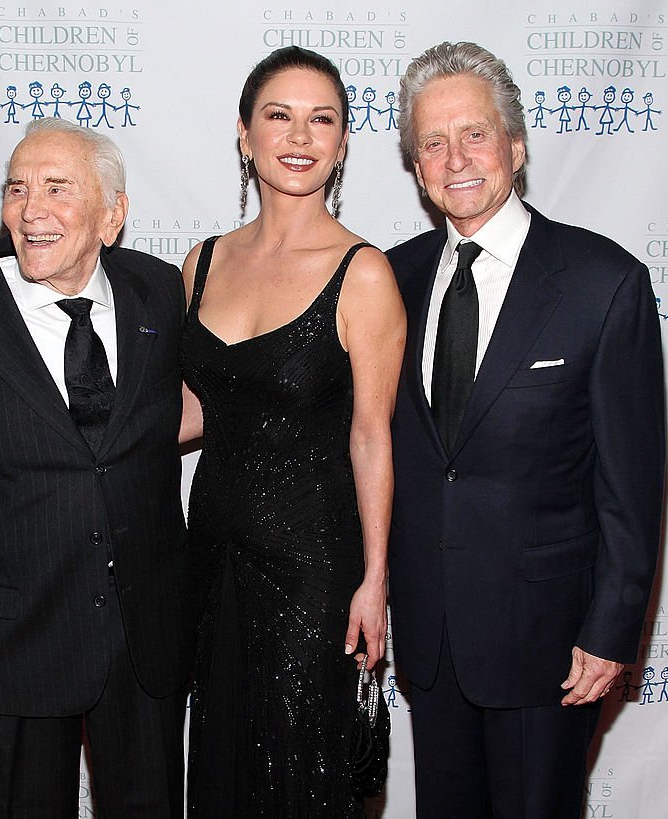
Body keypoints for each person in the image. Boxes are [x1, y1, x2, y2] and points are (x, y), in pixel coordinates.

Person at [0, 117, 201, 818]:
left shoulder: (159, 293)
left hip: (146, 638)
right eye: (17, 188)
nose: (31, 209)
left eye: (57, 188)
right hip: (21, 638)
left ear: (113, 215)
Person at [386, 42, 666, 817]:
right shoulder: (391, 279)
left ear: (516, 144)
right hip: (432, 638)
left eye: (474, 134)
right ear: (414, 166)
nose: (455, 159)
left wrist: (611, 629)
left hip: (548, 645)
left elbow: (632, 487)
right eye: (432, 143)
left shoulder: (602, 283)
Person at [178, 46, 405, 817]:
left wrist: (375, 581)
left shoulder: (362, 272)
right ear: (244, 134)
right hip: (212, 555)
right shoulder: (202, 262)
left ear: (343, 144)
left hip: (313, 570)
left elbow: (372, 435)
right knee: (221, 760)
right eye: (278, 115)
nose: (299, 136)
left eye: (323, 120)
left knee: (300, 772)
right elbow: (199, 409)